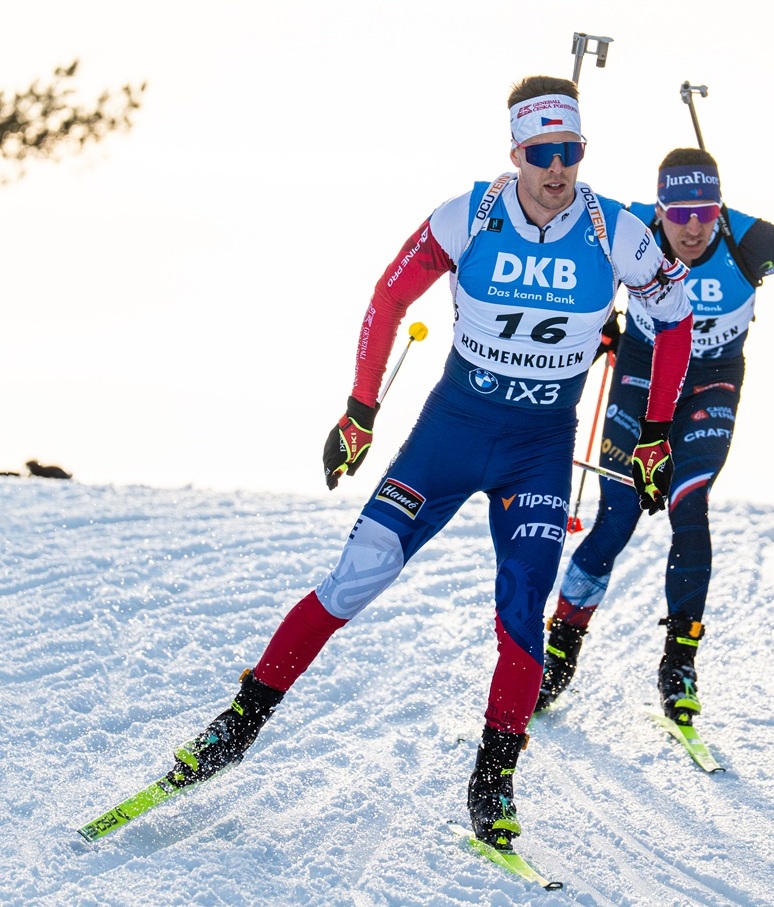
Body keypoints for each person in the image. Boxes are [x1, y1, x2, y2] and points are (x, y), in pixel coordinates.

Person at [157, 76, 694, 850]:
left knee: (522, 614)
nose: (556, 168)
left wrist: (655, 432)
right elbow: (388, 296)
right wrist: (359, 411)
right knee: (357, 575)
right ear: (515, 152)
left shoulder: (618, 232)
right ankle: (237, 725)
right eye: (541, 151)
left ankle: (493, 780)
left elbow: (674, 319)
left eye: (570, 151)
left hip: (537, 450)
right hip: (452, 433)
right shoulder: (468, 215)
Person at [536, 147, 774, 728]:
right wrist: (599, 324)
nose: (692, 228)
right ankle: (558, 656)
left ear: (719, 208)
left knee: (688, 502)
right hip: (642, 376)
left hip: (710, 384)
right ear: (660, 210)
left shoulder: (751, 242)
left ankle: (679, 665)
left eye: (704, 212)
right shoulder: (632, 228)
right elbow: (566, 248)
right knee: (617, 517)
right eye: (678, 214)